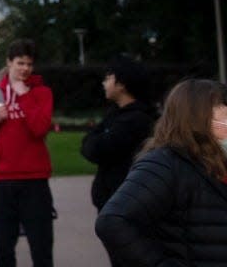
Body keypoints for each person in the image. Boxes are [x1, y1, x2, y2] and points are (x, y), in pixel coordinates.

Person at [95, 79, 227, 265]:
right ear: (197, 114)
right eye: (222, 107)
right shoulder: (164, 164)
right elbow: (112, 221)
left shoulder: (216, 159)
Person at [0, 39, 54, 267]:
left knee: (42, 249)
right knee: (3, 250)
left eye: (29, 64)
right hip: (4, 182)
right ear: (9, 63)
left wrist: (24, 96)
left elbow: (39, 129)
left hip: (35, 181)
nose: (25, 69)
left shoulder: (42, 93)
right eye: (20, 63)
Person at [80, 57, 156, 215]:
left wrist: (93, 142)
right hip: (113, 201)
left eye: (108, 78)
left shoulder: (135, 120)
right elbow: (89, 143)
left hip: (125, 202)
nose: (104, 83)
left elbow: (97, 148)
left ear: (121, 84)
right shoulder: (115, 115)